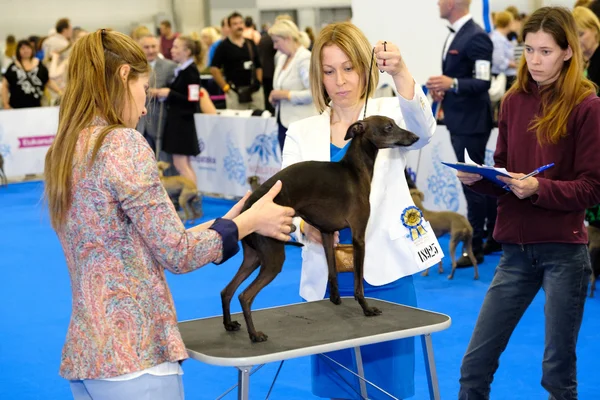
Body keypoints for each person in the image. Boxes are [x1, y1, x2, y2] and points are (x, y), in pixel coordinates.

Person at [43, 28, 295, 400]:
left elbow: (135, 240)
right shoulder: (121, 143)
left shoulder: (67, 146)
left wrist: (230, 224)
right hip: (136, 357)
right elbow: (177, 253)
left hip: (91, 355)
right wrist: (251, 223)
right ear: (123, 75)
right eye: (144, 91)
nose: (145, 107)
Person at [282, 22, 437, 399]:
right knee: (338, 388)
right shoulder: (301, 133)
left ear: (365, 69)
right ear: (319, 76)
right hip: (329, 277)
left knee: (392, 388)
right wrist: (305, 226)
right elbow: (285, 205)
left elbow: (424, 129)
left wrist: (400, 71)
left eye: (349, 68)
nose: (341, 81)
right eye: (330, 71)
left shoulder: (386, 113)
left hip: (388, 273)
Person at [457, 7, 600, 399]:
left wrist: (538, 187)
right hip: (515, 252)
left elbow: (592, 189)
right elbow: (505, 174)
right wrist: (480, 179)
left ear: (568, 52)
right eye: (530, 50)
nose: (535, 61)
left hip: (564, 253)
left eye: (546, 52)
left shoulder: (588, 106)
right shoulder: (514, 101)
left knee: (557, 376)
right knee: (473, 367)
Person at [427, 0, 499, 266]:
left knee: (474, 186)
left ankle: (475, 247)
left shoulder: (477, 36)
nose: (437, 2)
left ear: (454, 2)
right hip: (461, 121)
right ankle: (489, 238)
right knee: (478, 185)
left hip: (472, 124)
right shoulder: (457, 33)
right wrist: (446, 88)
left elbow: (483, 82)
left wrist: (452, 82)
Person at [152, 36, 216, 186]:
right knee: (183, 164)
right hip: (178, 122)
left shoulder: (191, 72)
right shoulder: (183, 70)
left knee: (181, 165)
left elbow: (192, 101)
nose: (172, 50)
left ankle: (192, 197)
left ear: (187, 51)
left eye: (176, 47)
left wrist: (169, 93)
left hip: (182, 124)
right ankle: (193, 197)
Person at [268, 19, 317, 151]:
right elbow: (278, 86)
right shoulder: (281, 57)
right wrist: (275, 97)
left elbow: (314, 93)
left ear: (288, 38)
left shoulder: (304, 58)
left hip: (301, 123)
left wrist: (286, 95)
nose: (274, 46)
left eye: (276, 41)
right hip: (283, 122)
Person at [210, 11, 264, 111]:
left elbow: (258, 65)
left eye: (240, 23)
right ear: (229, 27)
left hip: (254, 91)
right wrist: (225, 87)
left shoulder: (250, 43)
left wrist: (259, 82)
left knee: (259, 119)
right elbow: (214, 69)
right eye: (235, 24)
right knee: (238, 122)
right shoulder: (223, 46)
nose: (239, 26)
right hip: (234, 92)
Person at [136, 33, 176, 154]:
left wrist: (162, 93)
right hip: (140, 122)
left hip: (161, 121)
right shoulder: (134, 66)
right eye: (146, 47)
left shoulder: (170, 66)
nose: (151, 50)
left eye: (153, 46)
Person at [2, 40, 61, 109]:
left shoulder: (39, 65)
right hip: (16, 107)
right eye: (23, 48)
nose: (26, 50)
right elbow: (5, 85)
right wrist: (5, 103)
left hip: (36, 106)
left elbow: (47, 81)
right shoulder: (13, 67)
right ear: (18, 51)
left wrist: (59, 92)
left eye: (28, 48)